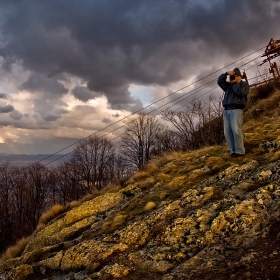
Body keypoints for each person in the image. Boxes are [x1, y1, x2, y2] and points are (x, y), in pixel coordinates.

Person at [217, 67, 249, 157]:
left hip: (236, 109)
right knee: (227, 132)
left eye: (234, 76)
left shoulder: (243, 84)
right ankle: (233, 151)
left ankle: (240, 151)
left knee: (236, 130)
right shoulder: (228, 86)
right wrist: (226, 74)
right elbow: (219, 81)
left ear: (239, 77)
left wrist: (236, 83)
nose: (232, 78)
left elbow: (242, 93)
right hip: (226, 110)